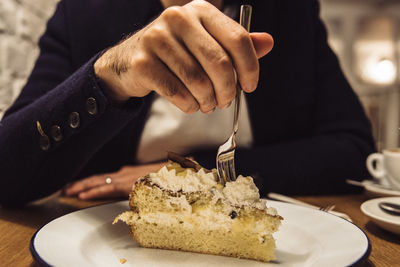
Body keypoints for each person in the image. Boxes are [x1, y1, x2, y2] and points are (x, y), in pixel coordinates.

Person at [0, 0, 375, 207]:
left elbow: (353, 150)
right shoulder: (84, 11)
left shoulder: (292, 13)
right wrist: (109, 74)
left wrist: (196, 172)